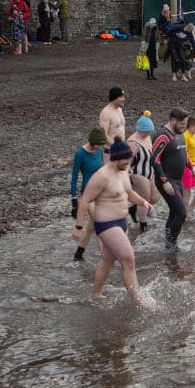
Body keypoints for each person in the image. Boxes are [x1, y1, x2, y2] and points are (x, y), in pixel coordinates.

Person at [78, 140, 153, 307]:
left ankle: (96, 294)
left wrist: (143, 202)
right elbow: (84, 201)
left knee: (107, 260)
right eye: (126, 159)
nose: (129, 163)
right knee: (129, 259)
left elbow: (129, 193)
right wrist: (78, 228)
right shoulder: (102, 176)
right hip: (106, 224)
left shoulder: (123, 171)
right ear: (117, 157)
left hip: (121, 222)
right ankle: (139, 300)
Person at [151, 108, 190, 253]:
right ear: (173, 120)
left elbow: (183, 153)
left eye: (185, 124)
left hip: (177, 180)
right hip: (166, 180)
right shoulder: (162, 135)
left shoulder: (179, 135)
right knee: (181, 213)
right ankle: (171, 245)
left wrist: (191, 167)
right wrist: (164, 181)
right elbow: (154, 159)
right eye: (182, 124)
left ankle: (169, 243)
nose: (184, 127)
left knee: (174, 212)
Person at [71, 126, 108, 260]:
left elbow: (102, 171)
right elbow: (74, 177)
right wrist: (74, 200)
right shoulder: (80, 154)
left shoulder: (99, 151)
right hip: (88, 194)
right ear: (92, 142)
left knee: (91, 226)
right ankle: (106, 259)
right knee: (101, 225)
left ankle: (78, 254)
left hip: (101, 192)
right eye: (98, 145)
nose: (99, 148)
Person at [127, 113, 159, 231]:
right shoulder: (133, 143)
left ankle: (133, 209)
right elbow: (126, 162)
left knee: (155, 197)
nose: (149, 133)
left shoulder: (147, 138)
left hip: (149, 173)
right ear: (141, 130)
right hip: (137, 174)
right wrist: (126, 177)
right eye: (147, 131)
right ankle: (143, 225)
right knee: (144, 200)